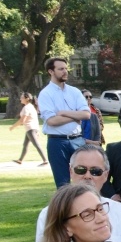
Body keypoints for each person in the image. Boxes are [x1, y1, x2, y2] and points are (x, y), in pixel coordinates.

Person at [35, 144, 121, 242]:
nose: (87, 176)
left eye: (95, 171)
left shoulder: (119, 211)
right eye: (80, 170)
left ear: (105, 175)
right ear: (70, 171)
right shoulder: (50, 213)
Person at [37, 57, 91, 188]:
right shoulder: (45, 94)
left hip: (77, 140)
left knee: (86, 178)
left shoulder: (75, 91)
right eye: (61, 69)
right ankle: (65, 208)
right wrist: (75, 116)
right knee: (62, 183)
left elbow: (86, 114)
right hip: (57, 142)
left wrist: (63, 112)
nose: (65, 71)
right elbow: (51, 121)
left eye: (66, 68)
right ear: (51, 71)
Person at [10, 92, 48, 166]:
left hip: (31, 129)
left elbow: (22, 120)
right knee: (25, 144)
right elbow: (34, 119)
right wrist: (37, 130)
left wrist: (13, 126)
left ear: (27, 99)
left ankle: (45, 160)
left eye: (22, 97)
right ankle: (20, 160)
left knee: (36, 144)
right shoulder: (31, 107)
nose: (20, 99)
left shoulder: (27, 107)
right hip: (31, 128)